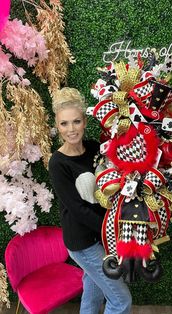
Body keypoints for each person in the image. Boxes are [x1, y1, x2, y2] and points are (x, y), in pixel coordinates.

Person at [48, 87, 132, 314]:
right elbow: (77, 209)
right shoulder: (58, 163)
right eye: (64, 124)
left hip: (102, 235)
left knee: (93, 289)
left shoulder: (96, 148)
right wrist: (113, 228)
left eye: (76, 121)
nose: (71, 129)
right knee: (121, 301)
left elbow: (115, 180)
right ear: (57, 125)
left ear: (85, 121)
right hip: (82, 241)